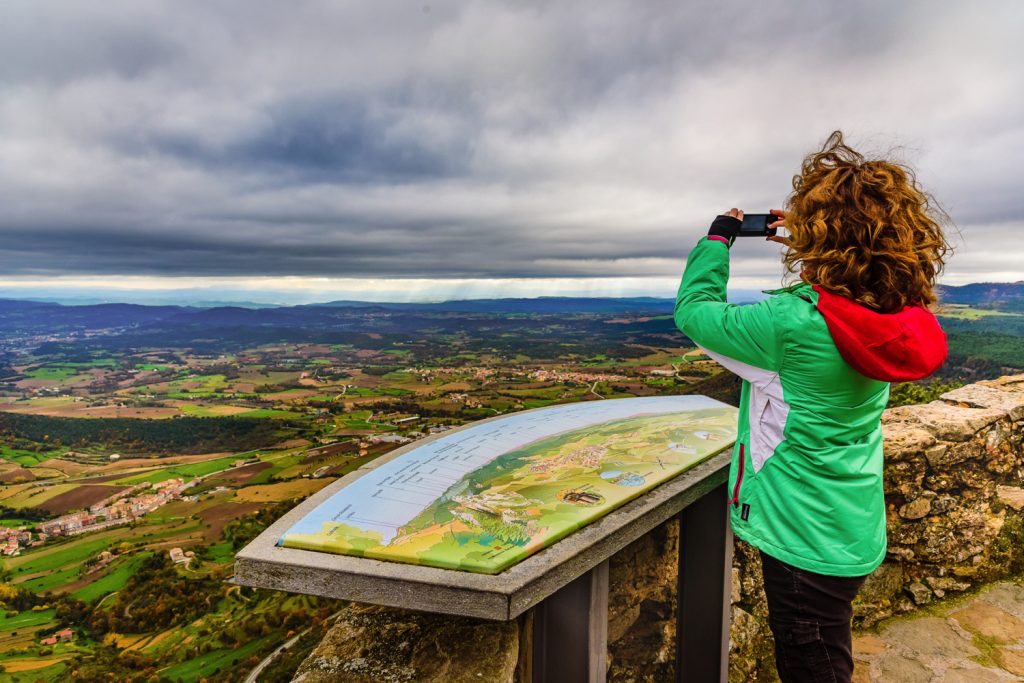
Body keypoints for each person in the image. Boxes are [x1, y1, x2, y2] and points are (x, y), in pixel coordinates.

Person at [673, 130, 951, 683]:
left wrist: (716, 241)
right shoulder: (900, 314)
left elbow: (695, 313)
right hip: (849, 518)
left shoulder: (794, 324)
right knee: (827, 642)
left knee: (814, 663)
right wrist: (824, 249)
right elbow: (859, 285)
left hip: (801, 529)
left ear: (823, 237)